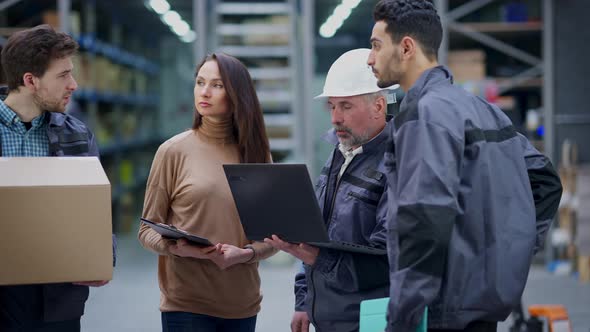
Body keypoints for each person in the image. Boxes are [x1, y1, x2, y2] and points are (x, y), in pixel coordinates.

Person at [367, 1, 563, 332]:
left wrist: (401, 318)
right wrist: (508, 252)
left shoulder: (424, 115)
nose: (370, 58)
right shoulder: (483, 110)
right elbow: (545, 181)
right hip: (481, 308)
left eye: (375, 45)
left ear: (406, 47)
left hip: (440, 312)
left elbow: (423, 220)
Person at [138, 52, 277, 332]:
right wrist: (174, 247)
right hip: (186, 304)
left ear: (237, 93)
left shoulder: (258, 155)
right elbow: (146, 229)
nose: (204, 91)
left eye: (217, 85)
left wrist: (245, 254)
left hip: (242, 303)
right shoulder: (172, 151)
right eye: (200, 82)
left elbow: (273, 238)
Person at [265, 48, 396, 332]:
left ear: (379, 105)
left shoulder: (397, 163)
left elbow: (387, 263)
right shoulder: (339, 153)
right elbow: (315, 233)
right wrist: (303, 300)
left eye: (346, 106)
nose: (335, 118)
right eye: (332, 106)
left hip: (368, 321)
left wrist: (317, 259)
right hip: (327, 317)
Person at [0, 24, 111, 331]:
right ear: (30, 80)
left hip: (57, 297)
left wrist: (102, 256)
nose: (73, 84)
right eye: (63, 75)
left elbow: (95, 209)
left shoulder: (76, 135)